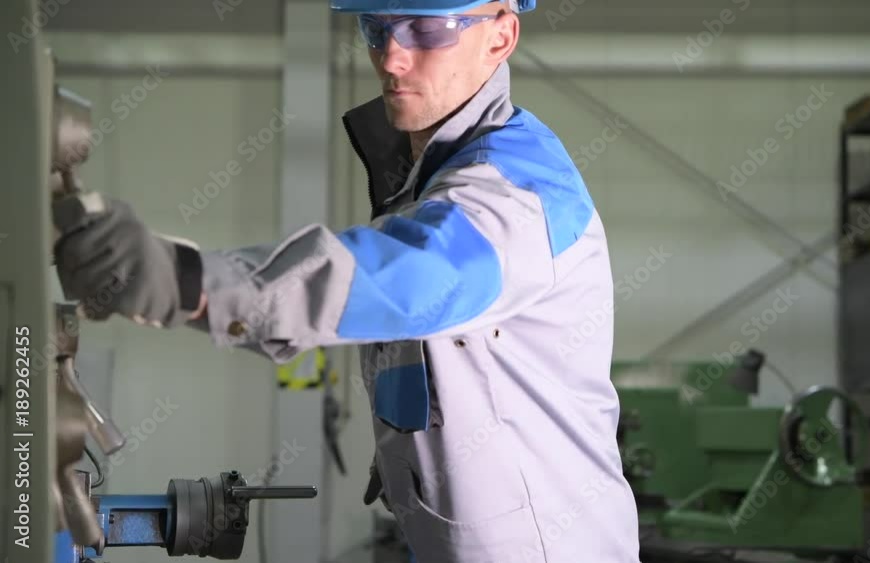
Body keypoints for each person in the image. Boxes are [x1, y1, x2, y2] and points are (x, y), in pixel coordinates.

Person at [50, 0, 641, 560]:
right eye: (377, 28)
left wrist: (186, 279)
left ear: (501, 36)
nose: (390, 56)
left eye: (427, 30)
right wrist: (409, 464)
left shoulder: (515, 193)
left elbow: (409, 280)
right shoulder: (430, 178)